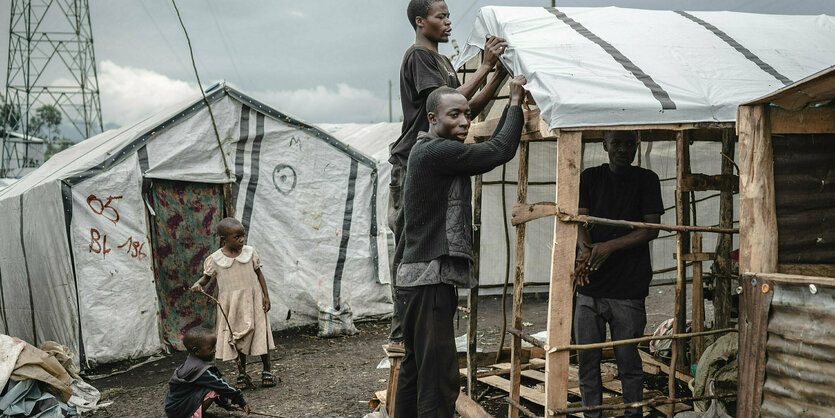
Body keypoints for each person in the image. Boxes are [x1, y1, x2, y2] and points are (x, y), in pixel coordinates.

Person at [395, 75, 527, 417]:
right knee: (438, 376)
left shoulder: (426, 152)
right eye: (454, 115)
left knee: (416, 370)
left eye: (467, 114)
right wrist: (514, 101)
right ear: (433, 119)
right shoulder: (437, 151)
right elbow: (499, 150)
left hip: (417, 279)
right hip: (430, 278)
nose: (465, 122)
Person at [387, 0, 509, 352]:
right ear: (421, 21)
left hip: (430, 164)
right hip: (413, 162)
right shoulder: (419, 57)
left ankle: (416, 326)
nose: (448, 21)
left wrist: (497, 74)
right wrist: (484, 66)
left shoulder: (442, 61)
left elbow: (465, 107)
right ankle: (401, 334)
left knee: (429, 243)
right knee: (409, 245)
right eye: (441, 16)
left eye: (449, 15)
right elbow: (446, 105)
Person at [572, 131, 664, 418]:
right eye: (616, 144)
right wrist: (586, 249)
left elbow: (651, 228)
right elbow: (578, 220)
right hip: (591, 286)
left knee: (628, 360)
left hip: (628, 286)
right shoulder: (589, 177)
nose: (622, 150)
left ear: (637, 146)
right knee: (587, 359)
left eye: (628, 144)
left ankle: (633, 414)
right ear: (605, 146)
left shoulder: (646, 180)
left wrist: (608, 247)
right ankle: (592, 414)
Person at [191, 217, 276, 389]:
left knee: (261, 334)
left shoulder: (250, 252)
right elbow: (206, 278)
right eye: (237, 237)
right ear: (224, 239)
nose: (242, 240)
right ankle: (242, 374)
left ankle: (267, 369)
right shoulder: (215, 259)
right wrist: (198, 284)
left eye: (243, 236)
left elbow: (259, 274)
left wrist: (265, 296)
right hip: (232, 306)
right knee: (236, 337)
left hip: (254, 301)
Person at [164, 327, 250, 417]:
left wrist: (226, 405)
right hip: (180, 412)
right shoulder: (199, 369)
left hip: (174, 410)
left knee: (213, 385)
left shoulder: (190, 362)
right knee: (214, 387)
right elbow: (221, 386)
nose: (214, 350)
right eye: (211, 348)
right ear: (196, 351)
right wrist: (241, 402)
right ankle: (192, 415)